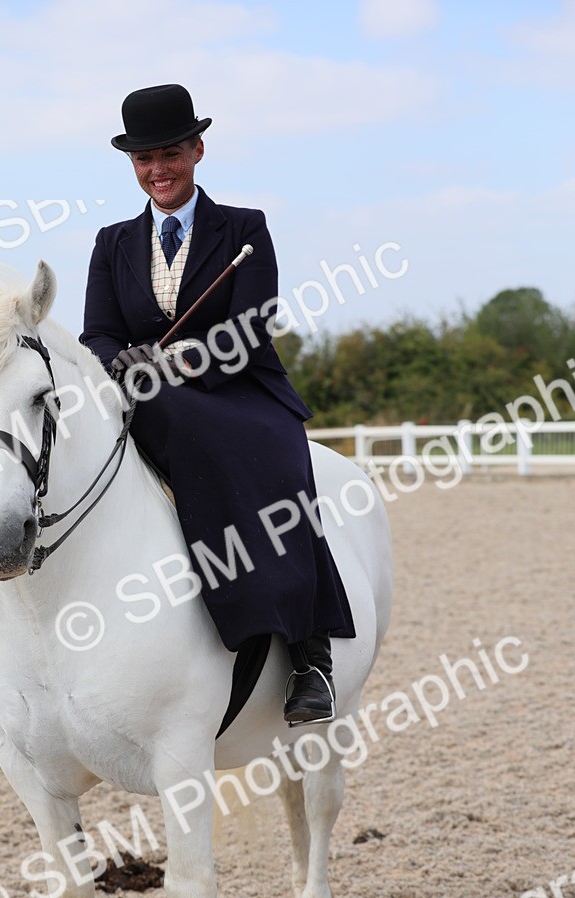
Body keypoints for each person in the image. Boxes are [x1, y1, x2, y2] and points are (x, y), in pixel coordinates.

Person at [80, 83, 354, 725]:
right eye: (144, 160)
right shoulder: (111, 242)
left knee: (283, 468)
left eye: (169, 154)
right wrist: (119, 359)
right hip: (145, 396)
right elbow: (98, 331)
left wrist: (175, 361)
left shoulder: (245, 228)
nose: (158, 171)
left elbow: (252, 329)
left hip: (240, 394)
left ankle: (310, 656)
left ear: (197, 150)